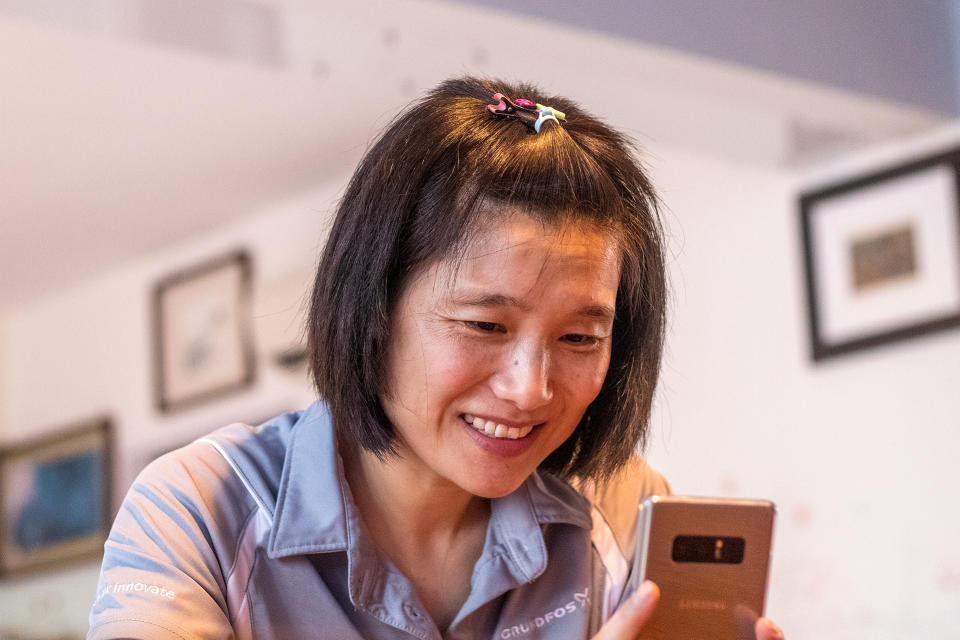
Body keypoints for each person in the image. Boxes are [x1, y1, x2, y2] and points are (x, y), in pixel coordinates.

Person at [88, 77, 785, 639]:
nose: (530, 388)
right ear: (373, 308)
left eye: (580, 338)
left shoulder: (623, 508)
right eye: (485, 324)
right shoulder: (201, 509)